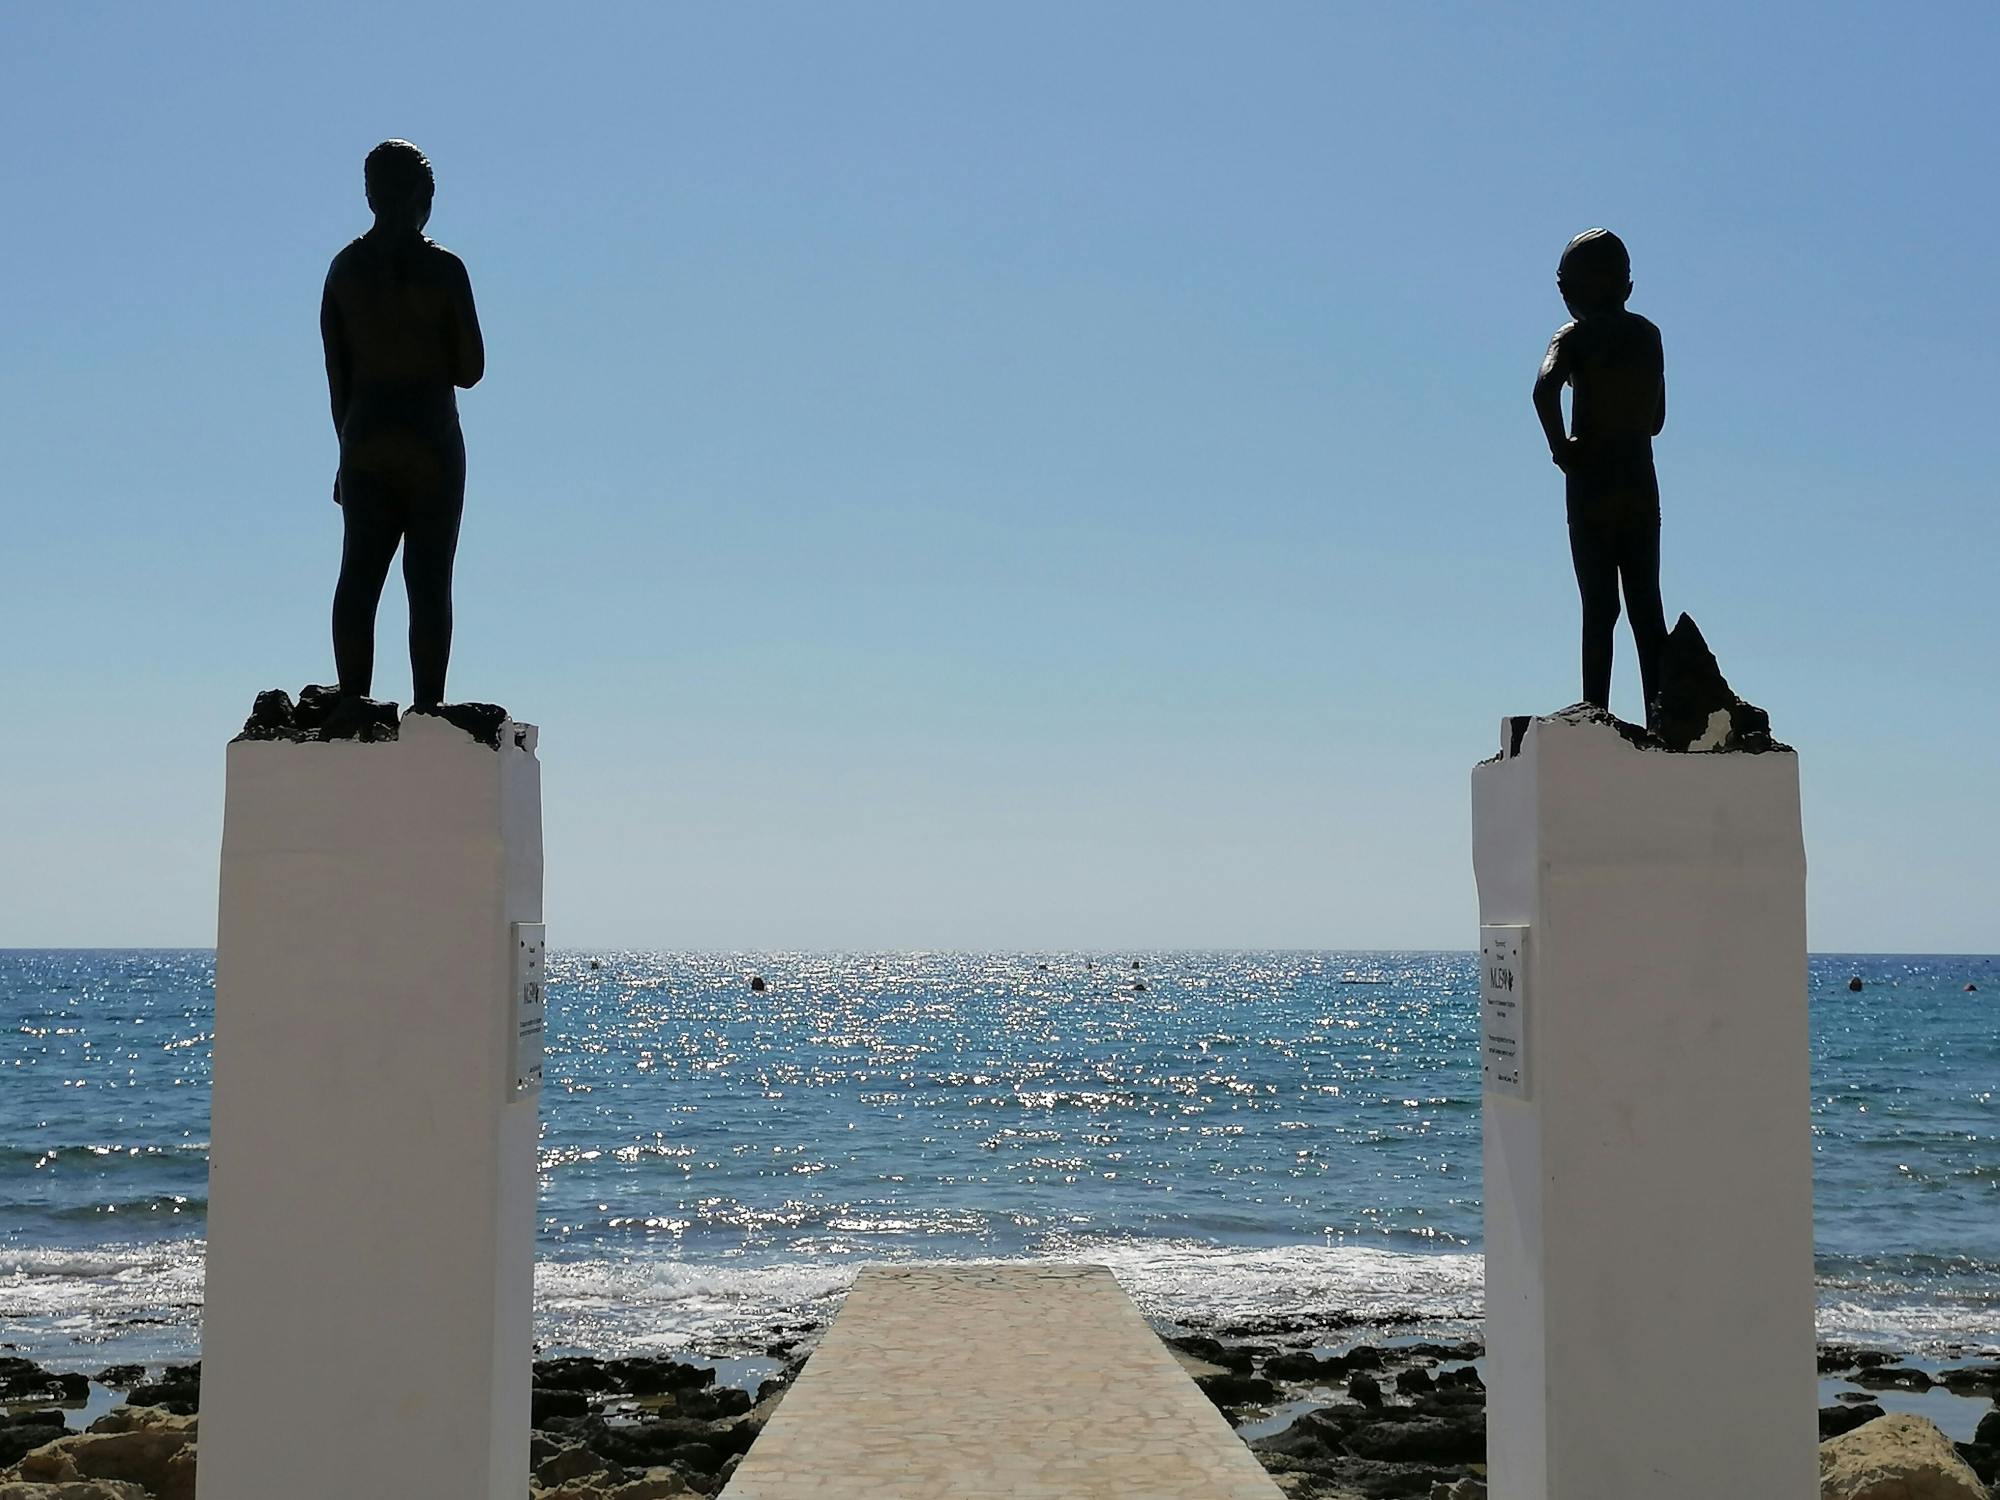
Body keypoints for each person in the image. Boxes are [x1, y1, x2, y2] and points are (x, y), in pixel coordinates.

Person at [321, 139, 484, 711]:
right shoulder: (444, 269)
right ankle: (428, 707)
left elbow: (337, 378)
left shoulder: (344, 269)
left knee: (359, 574)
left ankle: (351, 698)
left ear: (370, 194)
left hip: (364, 437)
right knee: (429, 577)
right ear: (425, 195)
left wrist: (346, 453)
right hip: (430, 438)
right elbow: (471, 369)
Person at [1532, 228, 1667, 719]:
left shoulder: (1572, 337)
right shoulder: (1648, 335)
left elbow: (1544, 391)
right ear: (1625, 286)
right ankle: (1660, 710)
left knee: (1598, 605)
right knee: (1646, 603)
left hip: (1590, 480)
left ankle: (1596, 710)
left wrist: (1561, 450)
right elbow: (1656, 419)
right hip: (1637, 476)